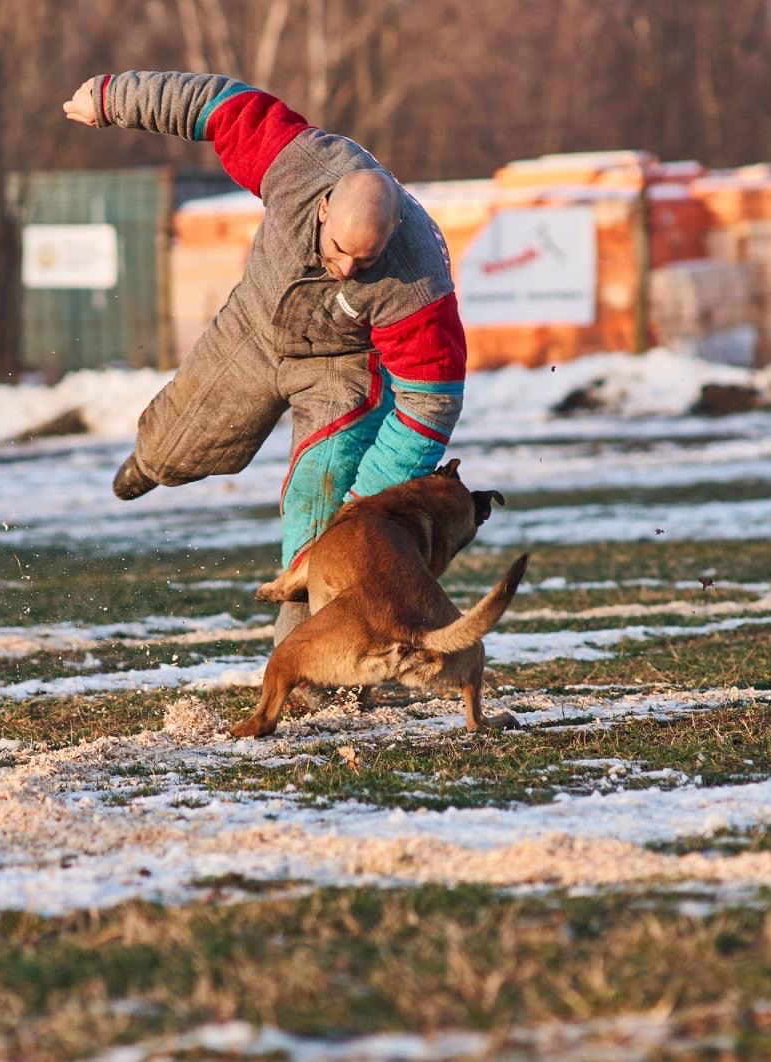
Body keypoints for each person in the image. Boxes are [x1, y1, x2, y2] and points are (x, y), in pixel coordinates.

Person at [64, 70, 468, 652]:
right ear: (323, 207)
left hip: (344, 371)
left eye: (366, 260)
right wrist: (111, 98)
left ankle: (309, 666)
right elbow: (220, 105)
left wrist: (364, 502)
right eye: (340, 251)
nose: (348, 269)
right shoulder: (299, 164)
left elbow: (430, 407)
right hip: (254, 327)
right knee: (173, 443)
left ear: (394, 231)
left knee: (318, 524)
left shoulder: (418, 283)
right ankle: (150, 465)